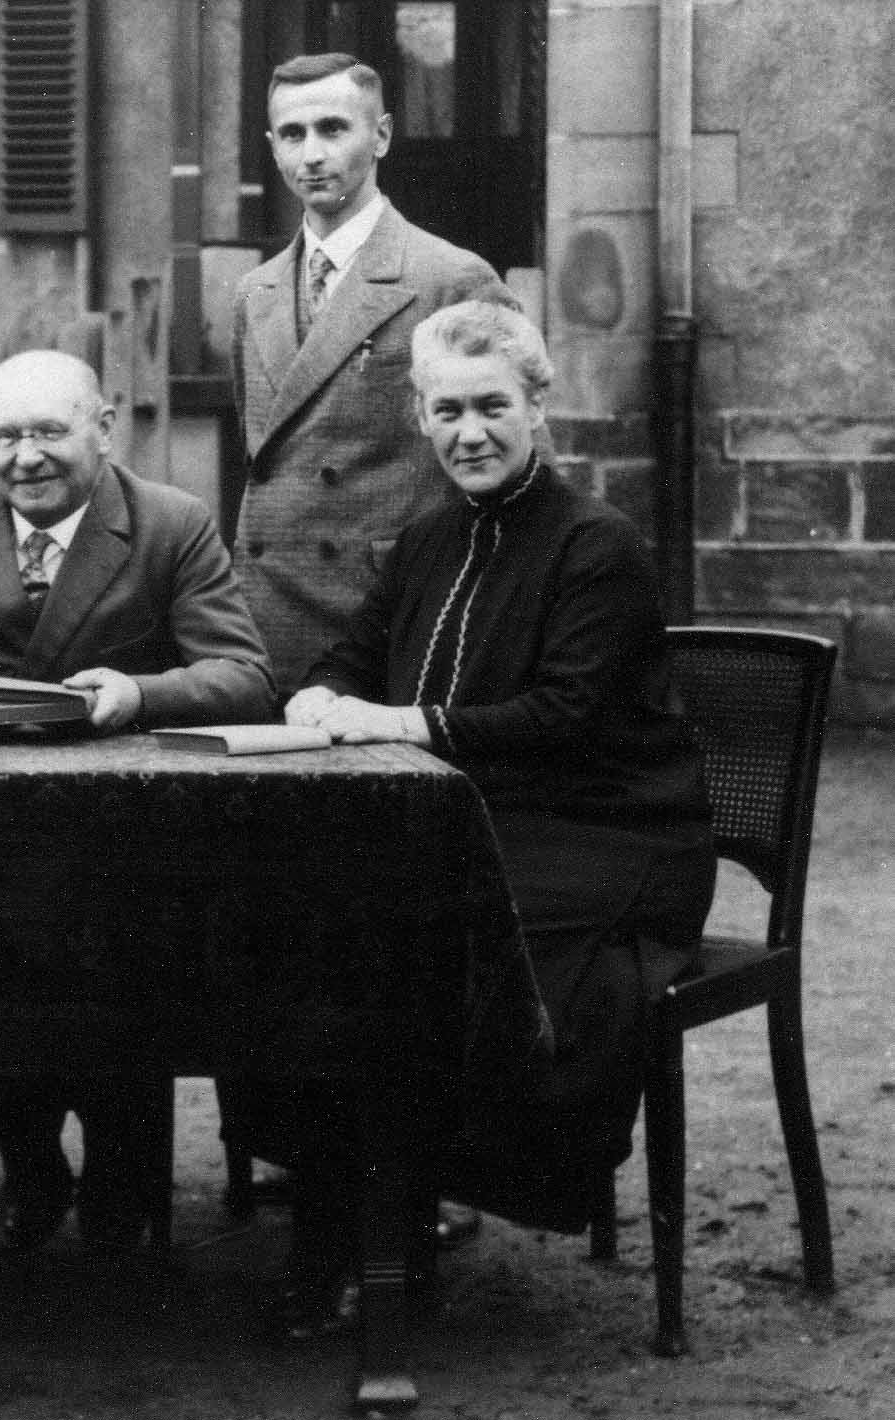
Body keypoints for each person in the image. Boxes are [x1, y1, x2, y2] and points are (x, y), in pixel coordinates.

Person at [271, 300, 714, 1334]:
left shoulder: (594, 545)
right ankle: (354, 1216)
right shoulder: (428, 537)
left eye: (488, 407)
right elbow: (350, 652)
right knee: (315, 927)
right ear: (418, 419)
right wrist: (314, 695)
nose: (466, 432)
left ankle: (386, 1225)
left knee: (438, 945)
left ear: (535, 408)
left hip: (607, 835)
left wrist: (394, 720)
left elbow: (560, 719)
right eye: (444, 411)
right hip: (474, 820)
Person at [0, 349, 277, 1251]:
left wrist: (139, 694)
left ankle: (123, 1173)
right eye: (4, 436)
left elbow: (243, 674)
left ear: (103, 426)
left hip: (122, 844)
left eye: (49, 431)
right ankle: (28, 1152)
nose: (25, 458)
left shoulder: (170, 523)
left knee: (120, 976)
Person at [228, 52, 519, 693]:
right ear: (272, 147)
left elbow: (519, 469)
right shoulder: (256, 293)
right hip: (268, 617)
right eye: (293, 135)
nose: (312, 155)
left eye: (334, 129)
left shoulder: (449, 278)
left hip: (387, 620)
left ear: (380, 136)